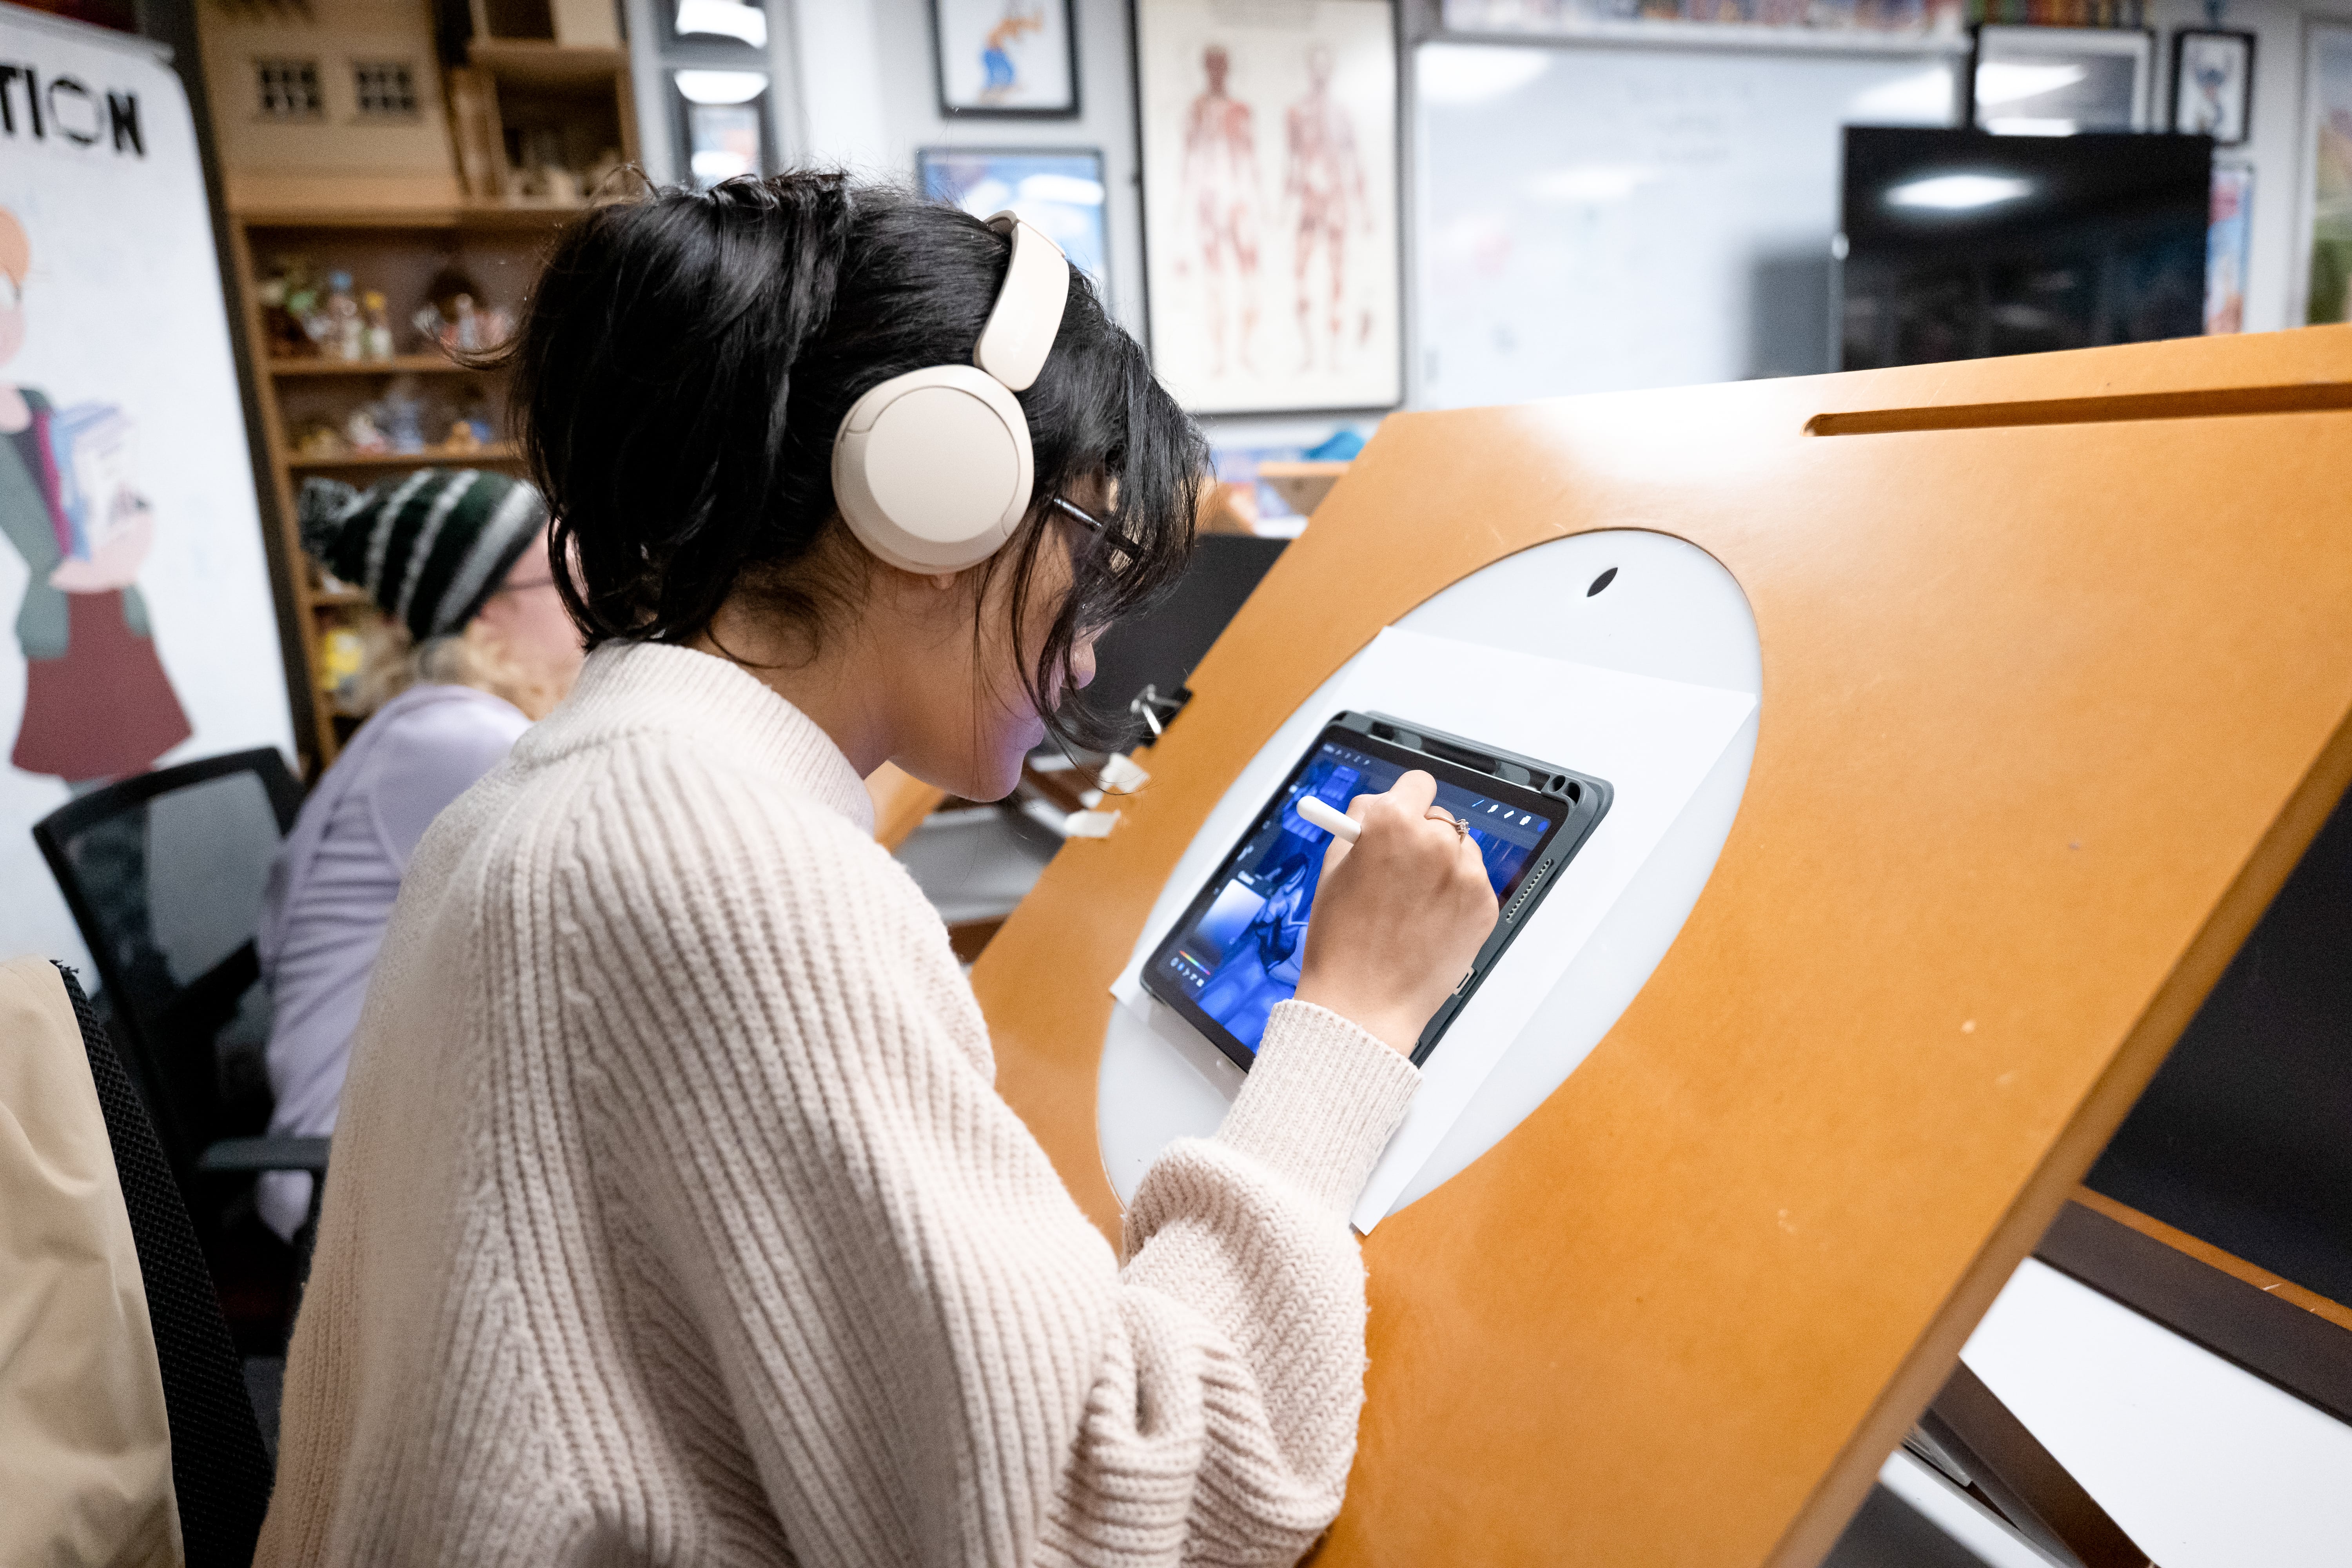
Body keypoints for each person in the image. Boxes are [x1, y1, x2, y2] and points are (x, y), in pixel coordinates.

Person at [257, 172, 1499, 1566]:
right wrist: (1348, 1024)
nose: (1089, 653)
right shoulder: (729, 873)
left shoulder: (586, 789)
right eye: (1084, 565)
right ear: (935, 500)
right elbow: (1113, 1521)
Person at [252, 468, 581, 1244]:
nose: (587, 595)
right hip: (347, 1185)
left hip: (399, 1133)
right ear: (488, 611)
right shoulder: (460, 741)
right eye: (561, 572)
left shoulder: (432, 728)